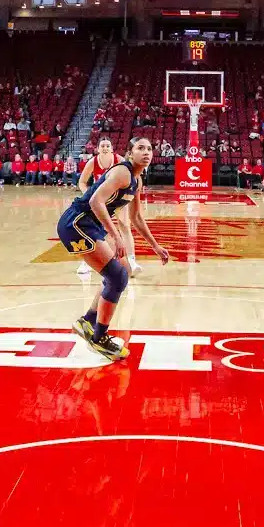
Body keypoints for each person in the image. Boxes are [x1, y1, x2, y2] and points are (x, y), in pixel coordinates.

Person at [62, 137, 170, 360]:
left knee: (120, 273)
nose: (146, 152)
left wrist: (156, 246)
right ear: (130, 153)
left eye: (150, 148)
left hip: (91, 225)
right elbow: (95, 201)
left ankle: (87, 322)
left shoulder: (137, 181)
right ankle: (99, 338)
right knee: (118, 276)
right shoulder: (123, 172)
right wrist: (115, 235)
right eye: (140, 148)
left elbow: (137, 217)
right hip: (77, 223)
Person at [78, 138, 141, 275]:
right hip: (100, 200)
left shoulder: (119, 160)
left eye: (108, 145)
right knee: (92, 229)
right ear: (98, 149)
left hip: (118, 199)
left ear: (112, 148)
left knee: (124, 225)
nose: (105, 148)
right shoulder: (92, 162)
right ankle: (86, 263)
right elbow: (82, 182)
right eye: (102, 146)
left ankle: (131, 260)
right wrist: (89, 194)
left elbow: (132, 177)